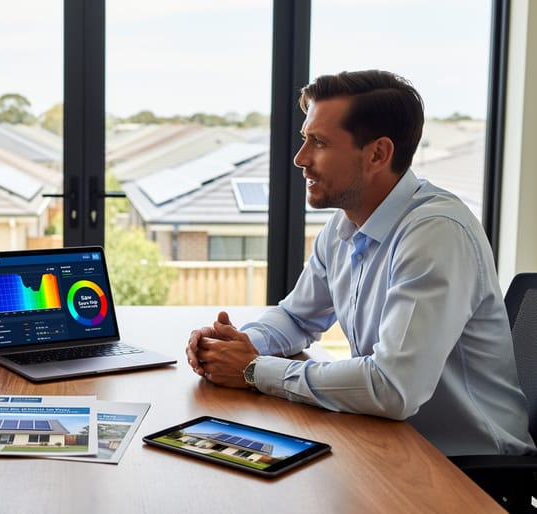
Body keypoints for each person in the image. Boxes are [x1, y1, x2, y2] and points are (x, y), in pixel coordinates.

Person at [186, 70, 535, 457]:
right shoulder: (346, 223)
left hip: (467, 468)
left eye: (318, 142)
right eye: (305, 140)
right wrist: (238, 345)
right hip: (388, 442)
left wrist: (254, 370)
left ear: (377, 154)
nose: (300, 159)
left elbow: (392, 387)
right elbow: (298, 317)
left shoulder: (436, 233)